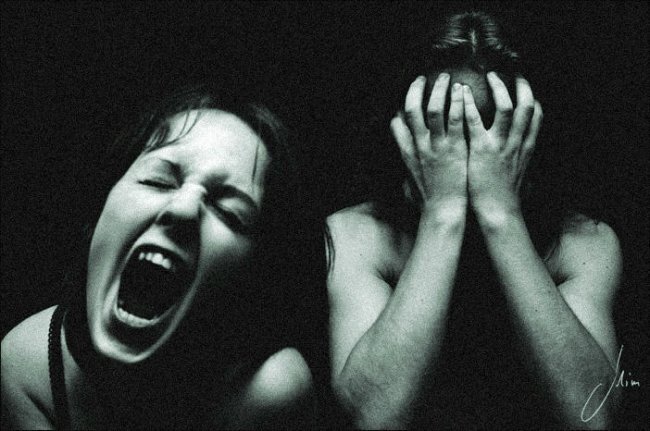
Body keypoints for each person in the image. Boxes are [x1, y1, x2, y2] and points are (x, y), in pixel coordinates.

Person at [326, 11, 622, 429]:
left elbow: (593, 415)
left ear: (527, 132)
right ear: (407, 130)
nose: (465, 149)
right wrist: (442, 212)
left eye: (488, 126)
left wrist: (502, 214)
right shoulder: (356, 235)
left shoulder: (586, 243)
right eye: (442, 124)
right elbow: (371, 417)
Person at [1, 85, 321, 429]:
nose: (183, 208)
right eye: (158, 181)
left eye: (229, 212)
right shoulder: (30, 364)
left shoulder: (270, 393)